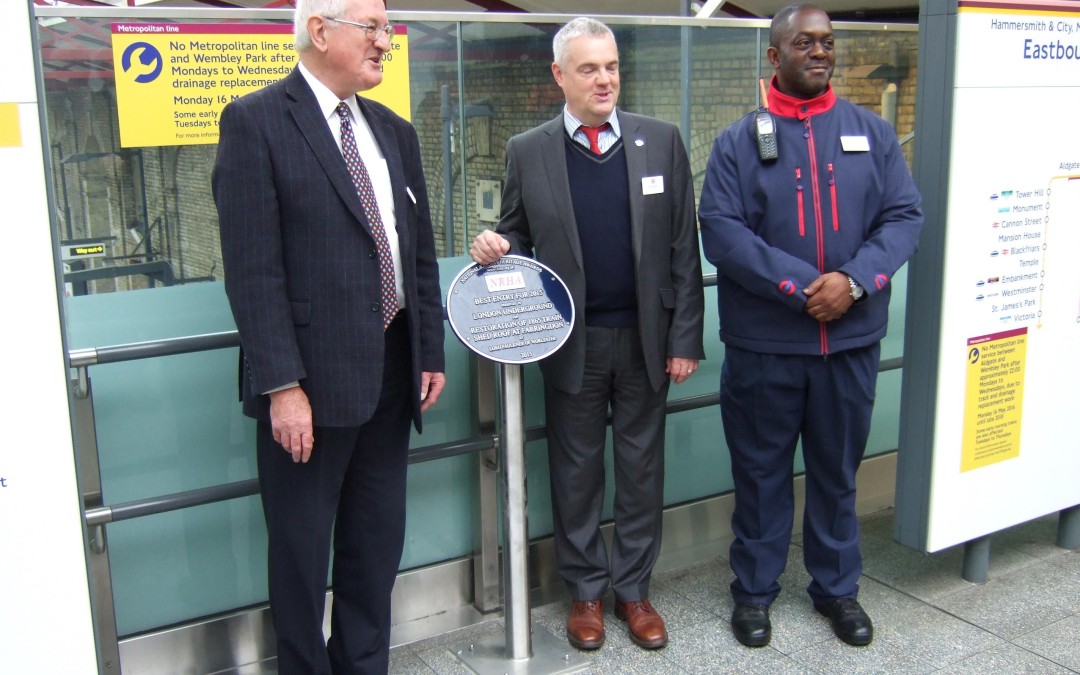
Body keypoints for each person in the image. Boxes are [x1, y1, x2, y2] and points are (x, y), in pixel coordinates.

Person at [212, 0, 446, 671]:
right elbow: (253, 272)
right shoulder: (256, 122)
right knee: (300, 554)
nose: (385, 41)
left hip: (393, 373)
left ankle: (363, 662)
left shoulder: (393, 132)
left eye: (387, 28)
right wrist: (283, 386)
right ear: (319, 31)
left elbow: (417, 253)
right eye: (371, 28)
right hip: (309, 387)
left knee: (375, 547)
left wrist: (428, 348)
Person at [470, 17, 704, 652]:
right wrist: (496, 243)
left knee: (640, 469)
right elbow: (516, 229)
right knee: (575, 473)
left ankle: (634, 591)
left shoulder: (661, 140)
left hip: (646, 340)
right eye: (589, 69)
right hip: (568, 340)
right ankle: (587, 593)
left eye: (611, 67)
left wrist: (685, 338)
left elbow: (684, 247)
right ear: (560, 76)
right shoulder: (530, 149)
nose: (604, 80)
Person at [698, 3, 922, 649]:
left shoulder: (871, 133)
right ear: (775, 55)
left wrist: (852, 281)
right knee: (761, 475)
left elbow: (904, 217)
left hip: (848, 344)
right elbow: (723, 232)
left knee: (836, 472)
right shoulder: (738, 142)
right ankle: (755, 591)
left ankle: (836, 588)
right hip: (765, 348)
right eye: (804, 42)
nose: (820, 52)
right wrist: (801, 290)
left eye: (827, 42)